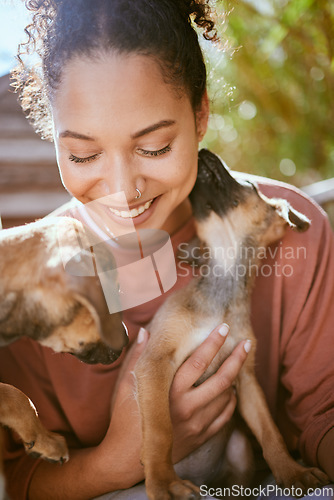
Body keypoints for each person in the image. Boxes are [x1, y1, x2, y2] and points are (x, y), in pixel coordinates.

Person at [1, 0, 334, 499]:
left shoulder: (285, 225)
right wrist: (118, 461)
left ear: (200, 114)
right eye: (83, 154)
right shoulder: (29, 286)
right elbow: (20, 480)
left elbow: (323, 412)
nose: (123, 188)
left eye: (154, 147)